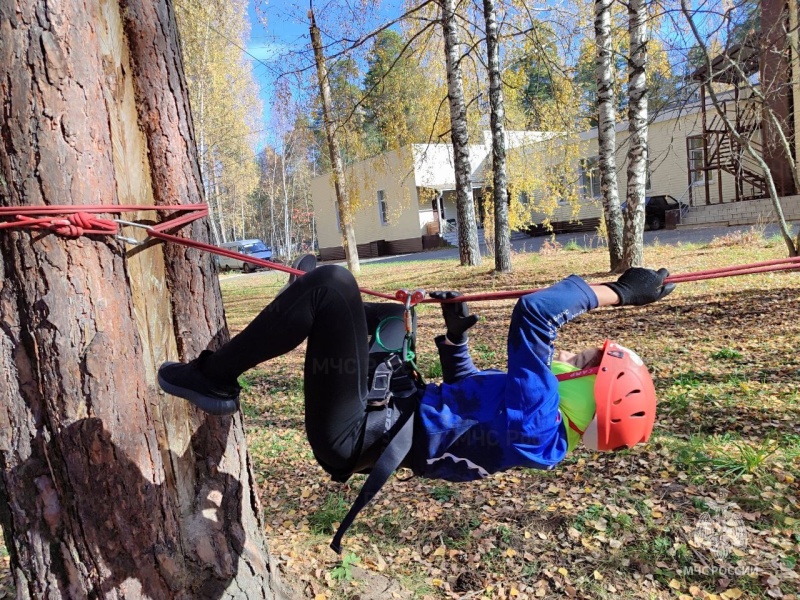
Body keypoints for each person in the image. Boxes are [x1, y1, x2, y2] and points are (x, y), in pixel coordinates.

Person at [158, 259, 674, 549]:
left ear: (590, 391)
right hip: (384, 414)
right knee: (388, 320)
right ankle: (308, 300)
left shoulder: (541, 416)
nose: (568, 354)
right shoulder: (538, 428)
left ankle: (214, 379)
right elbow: (466, 399)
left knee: (331, 286)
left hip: (355, 432)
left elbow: (537, 315)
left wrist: (621, 291)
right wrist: (457, 340)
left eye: (582, 357)